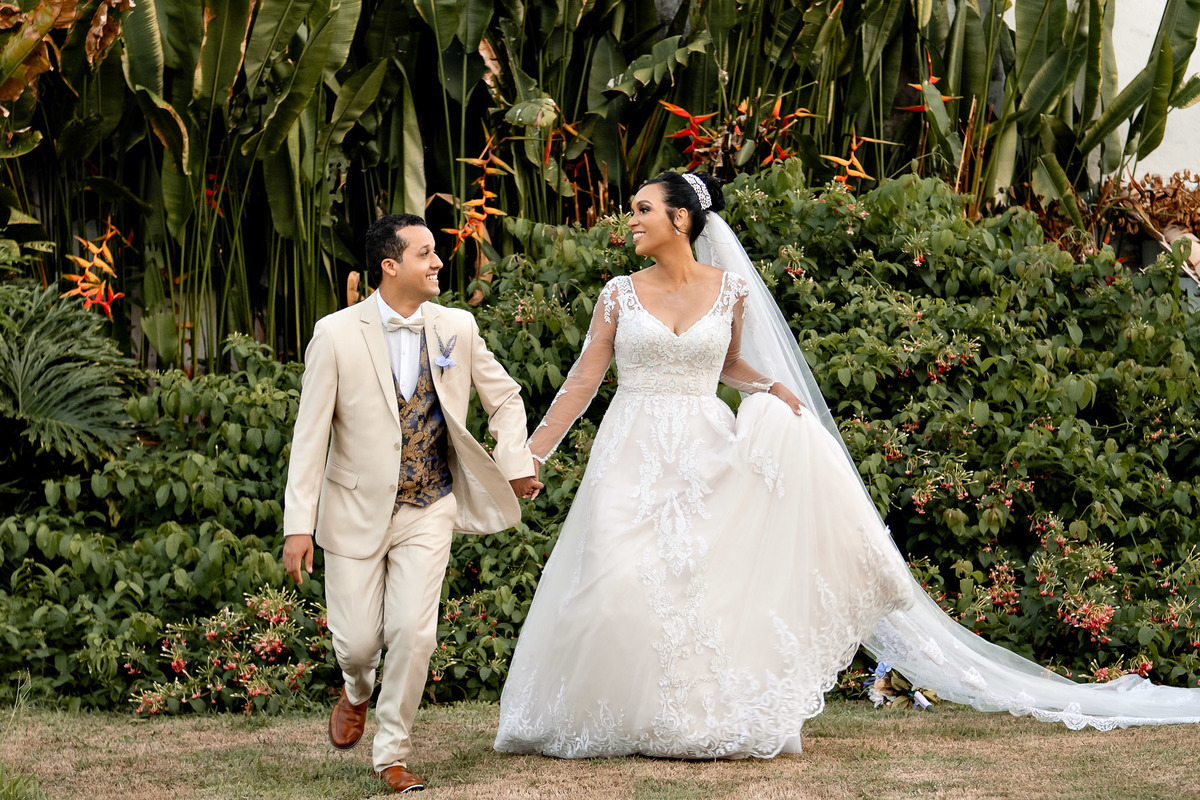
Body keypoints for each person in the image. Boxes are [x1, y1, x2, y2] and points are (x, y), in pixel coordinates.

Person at [495, 172, 1200, 759]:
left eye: (644, 210)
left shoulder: (730, 290)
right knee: (616, 579)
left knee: (694, 583)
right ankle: (604, 710)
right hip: (633, 448)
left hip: (706, 442)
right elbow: (584, 380)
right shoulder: (619, 291)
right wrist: (533, 453)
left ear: (681, 217)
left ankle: (681, 718)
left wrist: (771, 389)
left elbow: (730, 362)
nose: (632, 222)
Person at [282, 213, 543, 793]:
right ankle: (355, 688)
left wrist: (516, 461)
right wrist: (298, 525)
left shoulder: (458, 328)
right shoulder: (335, 334)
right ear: (390, 265)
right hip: (352, 508)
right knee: (355, 644)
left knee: (415, 633)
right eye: (426, 253)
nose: (438, 263)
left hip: (430, 506)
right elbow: (310, 435)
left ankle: (391, 754)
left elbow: (505, 400)